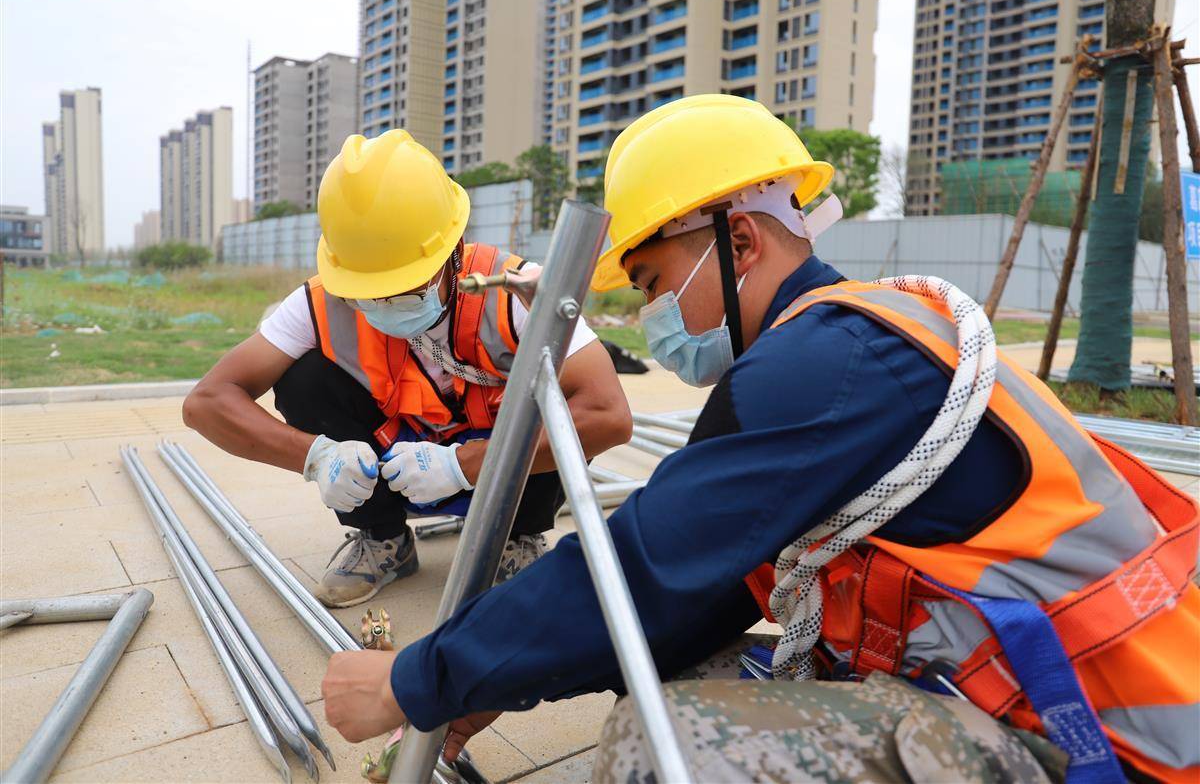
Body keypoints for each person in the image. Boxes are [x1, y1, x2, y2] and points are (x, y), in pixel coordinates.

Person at [321, 96, 1199, 781]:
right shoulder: (858, 336)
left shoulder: (828, 362)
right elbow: (701, 590)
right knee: (662, 666)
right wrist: (496, 677)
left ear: (737, 241)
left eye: (654, 280)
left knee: (670, 743)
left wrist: (420, 678)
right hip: (1061, 705)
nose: (649, 316)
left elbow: (646, 567)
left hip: (1103, 746)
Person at [184, 129, 632, 607]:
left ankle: (515, 538)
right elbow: (208, 403)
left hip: (501, 466)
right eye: (367, 290)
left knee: (559, 395)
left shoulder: (518, 291)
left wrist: (464, 464)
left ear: (452, 254)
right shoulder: (321, 301)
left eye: (404, 286)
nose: (383, 303)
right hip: (389, 465)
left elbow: (608, 415)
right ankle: (384, 541)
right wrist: (314, 456)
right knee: (303, 380)